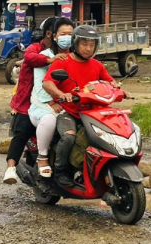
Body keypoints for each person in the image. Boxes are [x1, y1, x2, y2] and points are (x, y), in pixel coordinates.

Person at [42, 24, 115, 187]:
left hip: (92, 113)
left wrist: (120, 90)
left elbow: (110, 81)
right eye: (84, 44)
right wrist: (60, 94)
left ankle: (91, 171)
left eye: (91, 45)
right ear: (75, 44)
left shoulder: (97, 65)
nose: (88, 49)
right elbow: (47, 83)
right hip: (67, 112)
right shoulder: (63, 61)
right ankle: (60, 171)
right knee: (69, 136)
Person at [2, 17, 65, 184]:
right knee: (21, 133)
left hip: (55, 100)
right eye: (62, 33)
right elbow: (30, 58)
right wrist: (50, 60)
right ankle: (11, 168)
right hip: (28, 102)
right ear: (50, 34)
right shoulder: (36, 49)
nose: (66, 37)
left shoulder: (65, 52)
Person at [27, 18, 74, 178]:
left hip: (70, 104)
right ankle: (42, 157)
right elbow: (41, 85)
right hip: (43, 104)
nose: (67, 37)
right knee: (49, 120)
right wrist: (52, 101)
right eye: (63, 34)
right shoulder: (45, 56)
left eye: (70, 34)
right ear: (54, 36)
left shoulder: (76, 57)